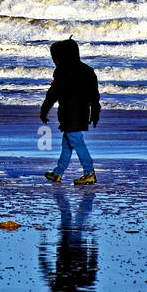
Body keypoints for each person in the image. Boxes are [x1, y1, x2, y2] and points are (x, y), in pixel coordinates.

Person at [39, 38, 100, 186]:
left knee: (77, 142)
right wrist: (95, 113)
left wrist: (44, 110)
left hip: (69, 114)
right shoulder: (88, 70)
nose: (54, 60)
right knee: (67, 143)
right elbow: (94, 95)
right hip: (83, 113)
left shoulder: (61, 71)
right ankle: (58, 172)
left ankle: (89, 172)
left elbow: (53, 93)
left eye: (55, 57)